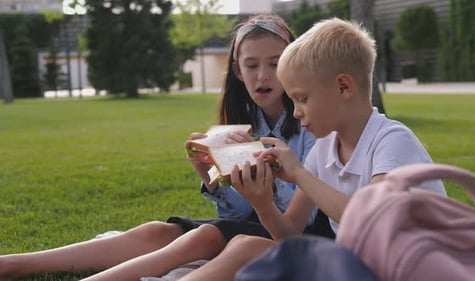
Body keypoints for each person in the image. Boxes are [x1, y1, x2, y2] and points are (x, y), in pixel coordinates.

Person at [0, 14, 332, 281]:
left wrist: (264, 188)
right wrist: (211, 177)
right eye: (252, 65)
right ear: (237, 70)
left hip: (300, 233)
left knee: (204, 236)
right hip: (261, 224)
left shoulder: (311, 123)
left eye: (275, 63)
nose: (263, 75)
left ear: (292, 63)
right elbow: (236, 214)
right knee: (158, 231)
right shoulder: (245, 122)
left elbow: (301, 221)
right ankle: (14, 263)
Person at [175, 17, 448, 281]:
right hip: (362, 267)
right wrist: (263, 203)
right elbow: (290, 235)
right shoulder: (325, 149)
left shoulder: (392, 140)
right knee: (248, 245)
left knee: (250, 249)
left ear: (343, 86)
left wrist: (300, 175)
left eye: (303, 99)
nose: (295, 112)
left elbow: (372, 220)